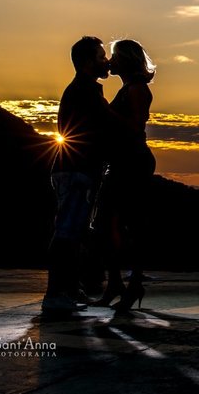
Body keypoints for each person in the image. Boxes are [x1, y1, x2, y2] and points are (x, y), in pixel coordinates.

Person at [44, 36, 116, 313]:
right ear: (87, 62)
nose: (106, 61)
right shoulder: (85, 91)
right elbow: (106, 126)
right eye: (101, 57)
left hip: (76, 169)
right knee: (67, 232)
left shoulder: (82, 90)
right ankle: (55, 293)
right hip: (76, 171)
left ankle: (71, 288)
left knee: (74, 232)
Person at [93, 38, 157, 312]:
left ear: (127, 60)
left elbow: (135, 127)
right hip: (121, 162)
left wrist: (105, 111)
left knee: (130, 224)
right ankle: (116, 283)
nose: (110, 61)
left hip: (133, 162)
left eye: (115, 56)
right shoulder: (128, 88)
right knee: (108, 224)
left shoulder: (138, 89)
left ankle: (132, 284)